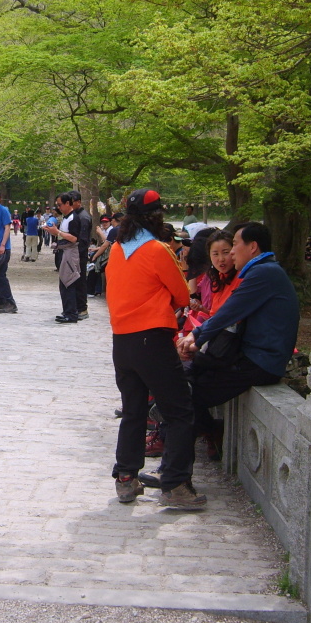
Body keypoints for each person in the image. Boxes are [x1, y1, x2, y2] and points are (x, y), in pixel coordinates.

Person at [106, 188, 207, 509]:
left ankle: (126, 479)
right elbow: (180, 294)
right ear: (157, 216)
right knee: (179, 410)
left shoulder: (117, 250)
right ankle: (176, 485)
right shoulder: (158, 250)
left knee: (133, 412)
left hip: (121, 343)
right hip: (152, 340)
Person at [176, 222, 300, 420]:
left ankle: (183, 439)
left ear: (252, 247)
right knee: (188, 376)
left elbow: (228, 313)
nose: (232, 253)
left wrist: (196, 337)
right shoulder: (263, 271)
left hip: (261, 361)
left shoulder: (264, 273)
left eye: (234, 245)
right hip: (251, 355)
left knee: (188, 395)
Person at [44, 193, 80, 323]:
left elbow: (75, 238)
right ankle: (67, 311)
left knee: (68, 282)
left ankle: (71, 314)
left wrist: (58, 232)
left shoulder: (73, 219)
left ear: (67, 204)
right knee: (64, 283)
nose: (58, 207)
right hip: (64, 251)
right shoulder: (66, 218)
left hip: (70, 253)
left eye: (59, 205)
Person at [68, 190, 93, 320]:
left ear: (78, 202)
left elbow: (82, 240)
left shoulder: (83, 217)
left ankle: (82, 308)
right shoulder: (74, 215)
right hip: (74, 253)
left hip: (79, 254)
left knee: (80, 281)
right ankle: (76, 306)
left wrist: (76, 255)